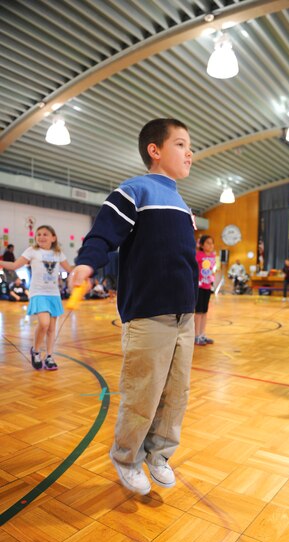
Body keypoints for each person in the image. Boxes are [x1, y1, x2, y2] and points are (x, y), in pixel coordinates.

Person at [70, 118, 198, 495]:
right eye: (180, 144)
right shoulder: (134, 191)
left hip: (184, 318)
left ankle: (158, 454)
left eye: (190, 145)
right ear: (154, 151)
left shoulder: (184, 205)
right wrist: (87, 261)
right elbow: (103, 233)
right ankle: (126, 456)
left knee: (176, 394)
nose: (189, 151)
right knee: (143, 393)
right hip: (148, 315)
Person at [0, 225, 73, 370]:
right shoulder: (32, 251)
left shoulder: (58, 253)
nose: (41, 237)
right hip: (38, 293)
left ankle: (50, 356)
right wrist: (1, 263)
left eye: (45, 234)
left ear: (53, 237)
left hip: (54, 294)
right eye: (38, 234)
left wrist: (86, 269)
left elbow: (70, 270)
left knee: (52, 328)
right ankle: (36, 351)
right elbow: (15, 265)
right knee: (44, 323)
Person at [195, 235, 216, 345]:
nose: (210, 245)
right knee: (198, 312)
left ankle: (202, 334)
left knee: (204, 312)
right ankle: (196, 335)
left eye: (212, 243)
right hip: (199, 287)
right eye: (208, 243)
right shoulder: (198, 255)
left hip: (208, 287)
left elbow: (211, 270)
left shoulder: (213, 256)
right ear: (202, 245)